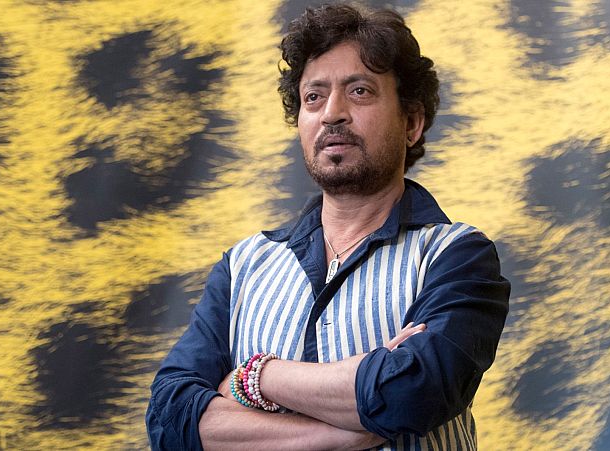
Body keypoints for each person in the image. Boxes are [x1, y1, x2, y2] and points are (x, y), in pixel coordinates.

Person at [146, 3, 510, 450]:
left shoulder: (456, 255)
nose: (332, 113)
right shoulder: (242, 267)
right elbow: (169, 420)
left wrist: (258, 376)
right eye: (313, 97)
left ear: (412, 123)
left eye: (359, 91)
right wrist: (345, 430)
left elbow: (414, 394)